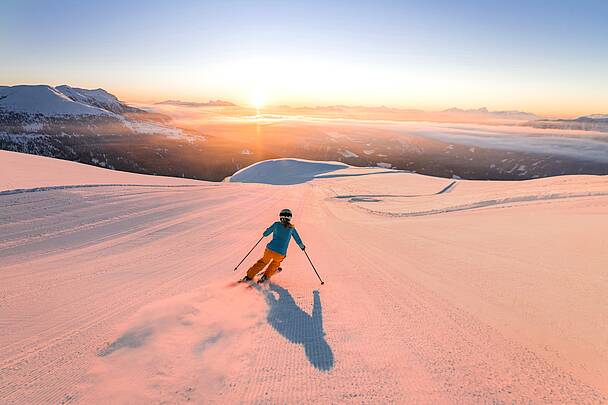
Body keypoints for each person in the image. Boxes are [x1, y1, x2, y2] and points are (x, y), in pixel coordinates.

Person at [243, 208, 305, 283]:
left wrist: (266, 231)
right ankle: (266, 275)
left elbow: (265, 234)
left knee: (263, 262)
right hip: (280, 253)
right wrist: (302, 247)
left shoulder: (276, 224)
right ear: (290, 218)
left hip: (269, 249)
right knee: (275, 263)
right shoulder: (291, 228)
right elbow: (297, 239)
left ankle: (249, 276)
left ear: (280, 217)